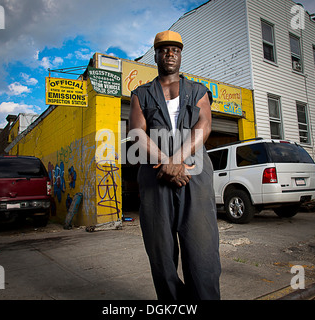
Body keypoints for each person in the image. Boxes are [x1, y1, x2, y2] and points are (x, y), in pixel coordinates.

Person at [129, 30, 221, 300]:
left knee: (202, 251)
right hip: (155, 177)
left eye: (175, 50)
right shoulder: (141, 94)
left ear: (181, 55)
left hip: (194, 175)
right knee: (161, 254)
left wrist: (178, 161)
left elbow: (204, 126)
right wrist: (166, 164)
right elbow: (137, 132)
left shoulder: (198, 91)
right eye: (164, 50)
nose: (170, 54)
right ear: (156, 55)